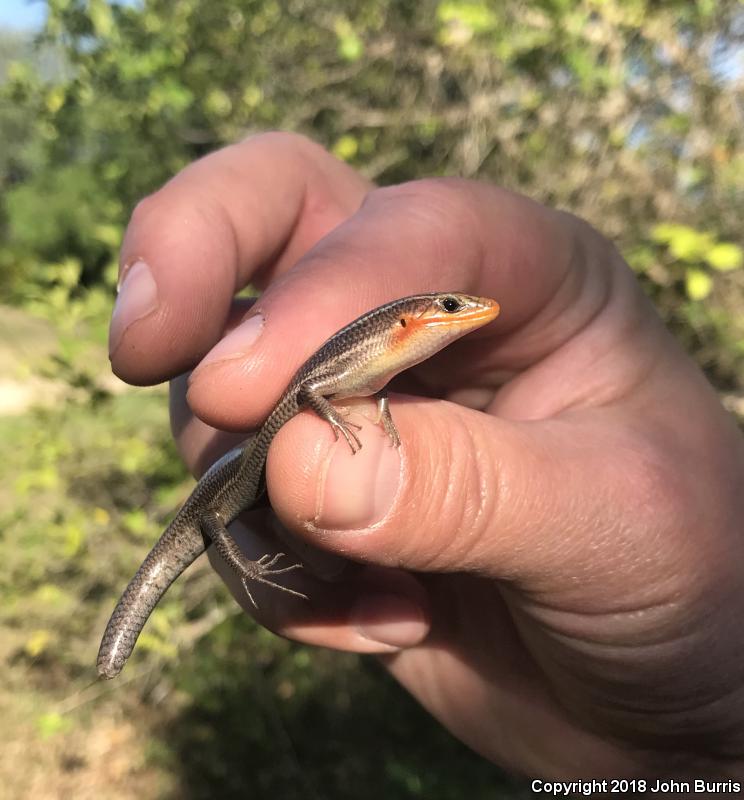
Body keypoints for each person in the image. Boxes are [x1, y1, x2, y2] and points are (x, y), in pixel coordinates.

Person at [109, 132, 744, 781]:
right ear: (411, 319)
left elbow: (367, 390)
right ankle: (115, 654)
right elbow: (307, 389)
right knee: (223, 525)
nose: (464, 313)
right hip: (224, 495)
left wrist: (711, 753)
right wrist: (705, 760)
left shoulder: (387, 362)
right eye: (448, 307)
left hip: (675, 746)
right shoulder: (368, 346)